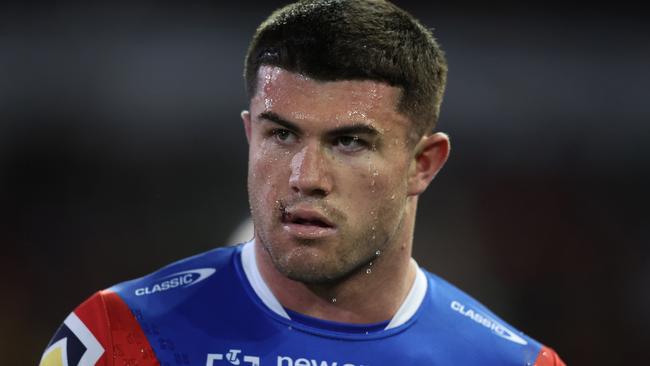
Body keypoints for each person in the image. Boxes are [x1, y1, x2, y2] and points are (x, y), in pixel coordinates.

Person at [40, 1, 565, 365]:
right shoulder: (119, 338)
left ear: (423, 164)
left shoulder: (511, 363)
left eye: (350, 143)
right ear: (250, 135)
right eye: (282, 134)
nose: (305, 178)